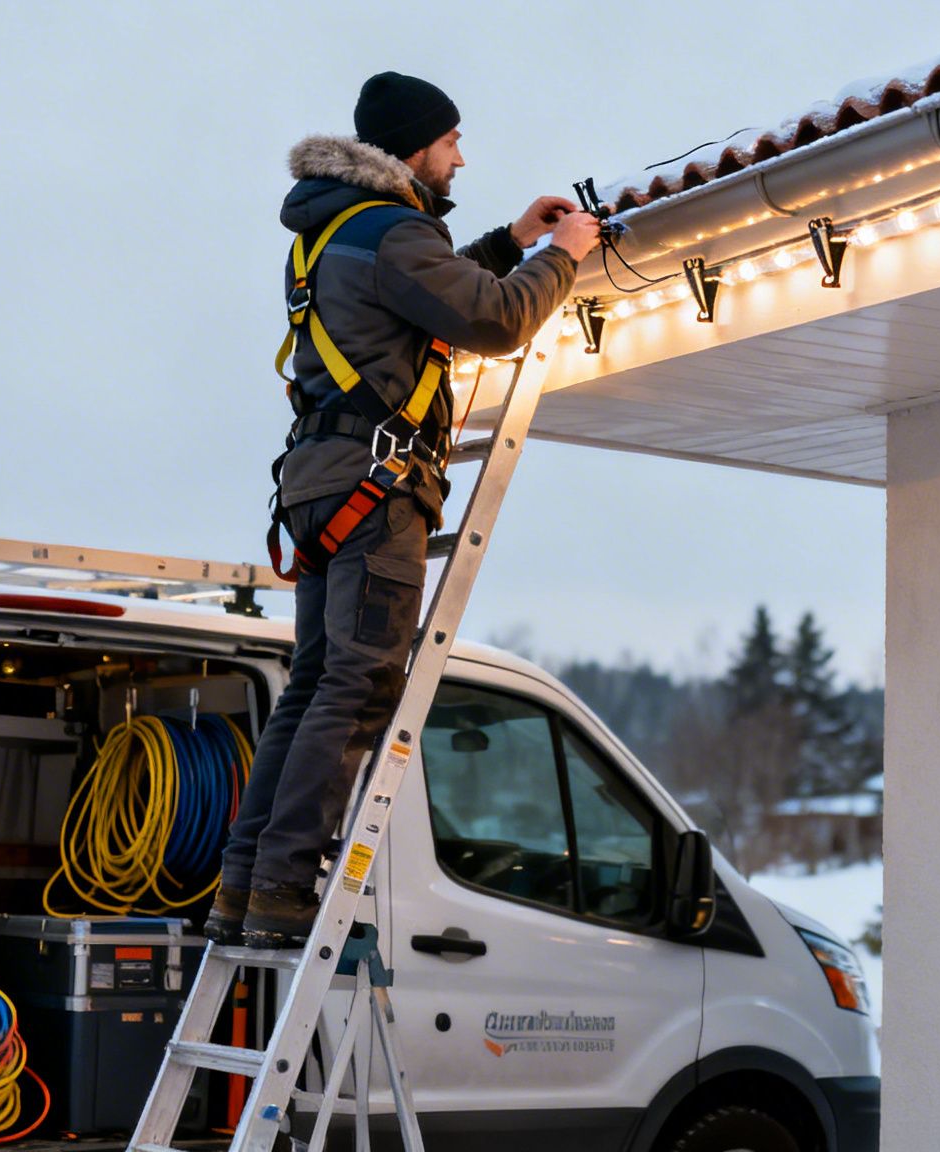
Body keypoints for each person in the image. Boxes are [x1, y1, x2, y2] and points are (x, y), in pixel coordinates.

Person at [205, 72, 601, 948]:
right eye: (452, 142)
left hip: (319, 482)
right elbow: (493, 321)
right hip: (376, 490)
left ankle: (246, 882)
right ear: (412, 147)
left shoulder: (332, 230)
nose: (461, 157)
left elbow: (423, 291)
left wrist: (507, 239)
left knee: (316, 682)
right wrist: (563, 253)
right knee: (359, 684)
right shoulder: (393, 230)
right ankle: (281, 886)